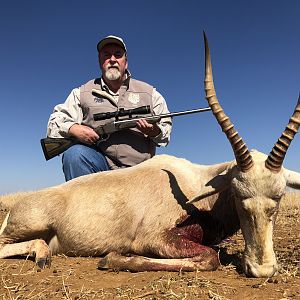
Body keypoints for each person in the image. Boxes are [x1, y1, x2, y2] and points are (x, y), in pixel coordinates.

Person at [47, 35, 172, 181]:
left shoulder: (151, 93)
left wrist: (154, 131)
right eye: (106, 55)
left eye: (118, 55)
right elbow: (54, 123)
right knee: (75, 155)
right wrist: (74, 129)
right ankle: (86, 204)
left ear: (126, 62)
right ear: (100, 61)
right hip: (101, 168)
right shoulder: (81, 92)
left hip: (140, 171)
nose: (112, 59)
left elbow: (165, 133)